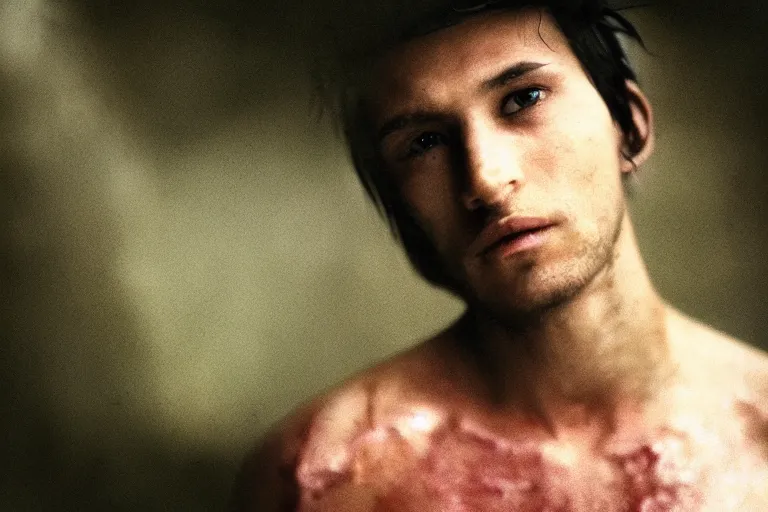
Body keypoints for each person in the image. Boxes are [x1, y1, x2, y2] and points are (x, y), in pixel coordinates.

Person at [233, 1, 768, 510]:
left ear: (627, 125)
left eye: (523, 99)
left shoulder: (757, 434)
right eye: (424, 143)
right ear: (399, 205)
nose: (486, 180)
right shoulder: (323, 475)